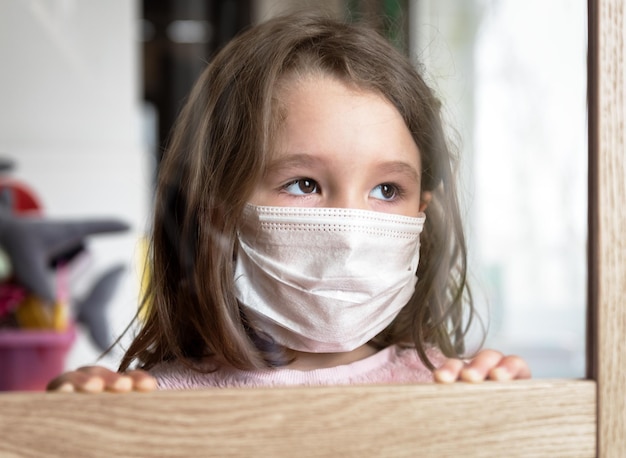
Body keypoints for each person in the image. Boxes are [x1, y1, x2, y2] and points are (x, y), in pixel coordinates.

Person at [47, 12, 530, 393]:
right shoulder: (158, 400)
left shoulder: (450, 387)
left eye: (387, 190)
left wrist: (500, 412)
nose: (349, 228)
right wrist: (80, 429)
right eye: (303, 183)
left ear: (421, 213)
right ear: (219, 211)